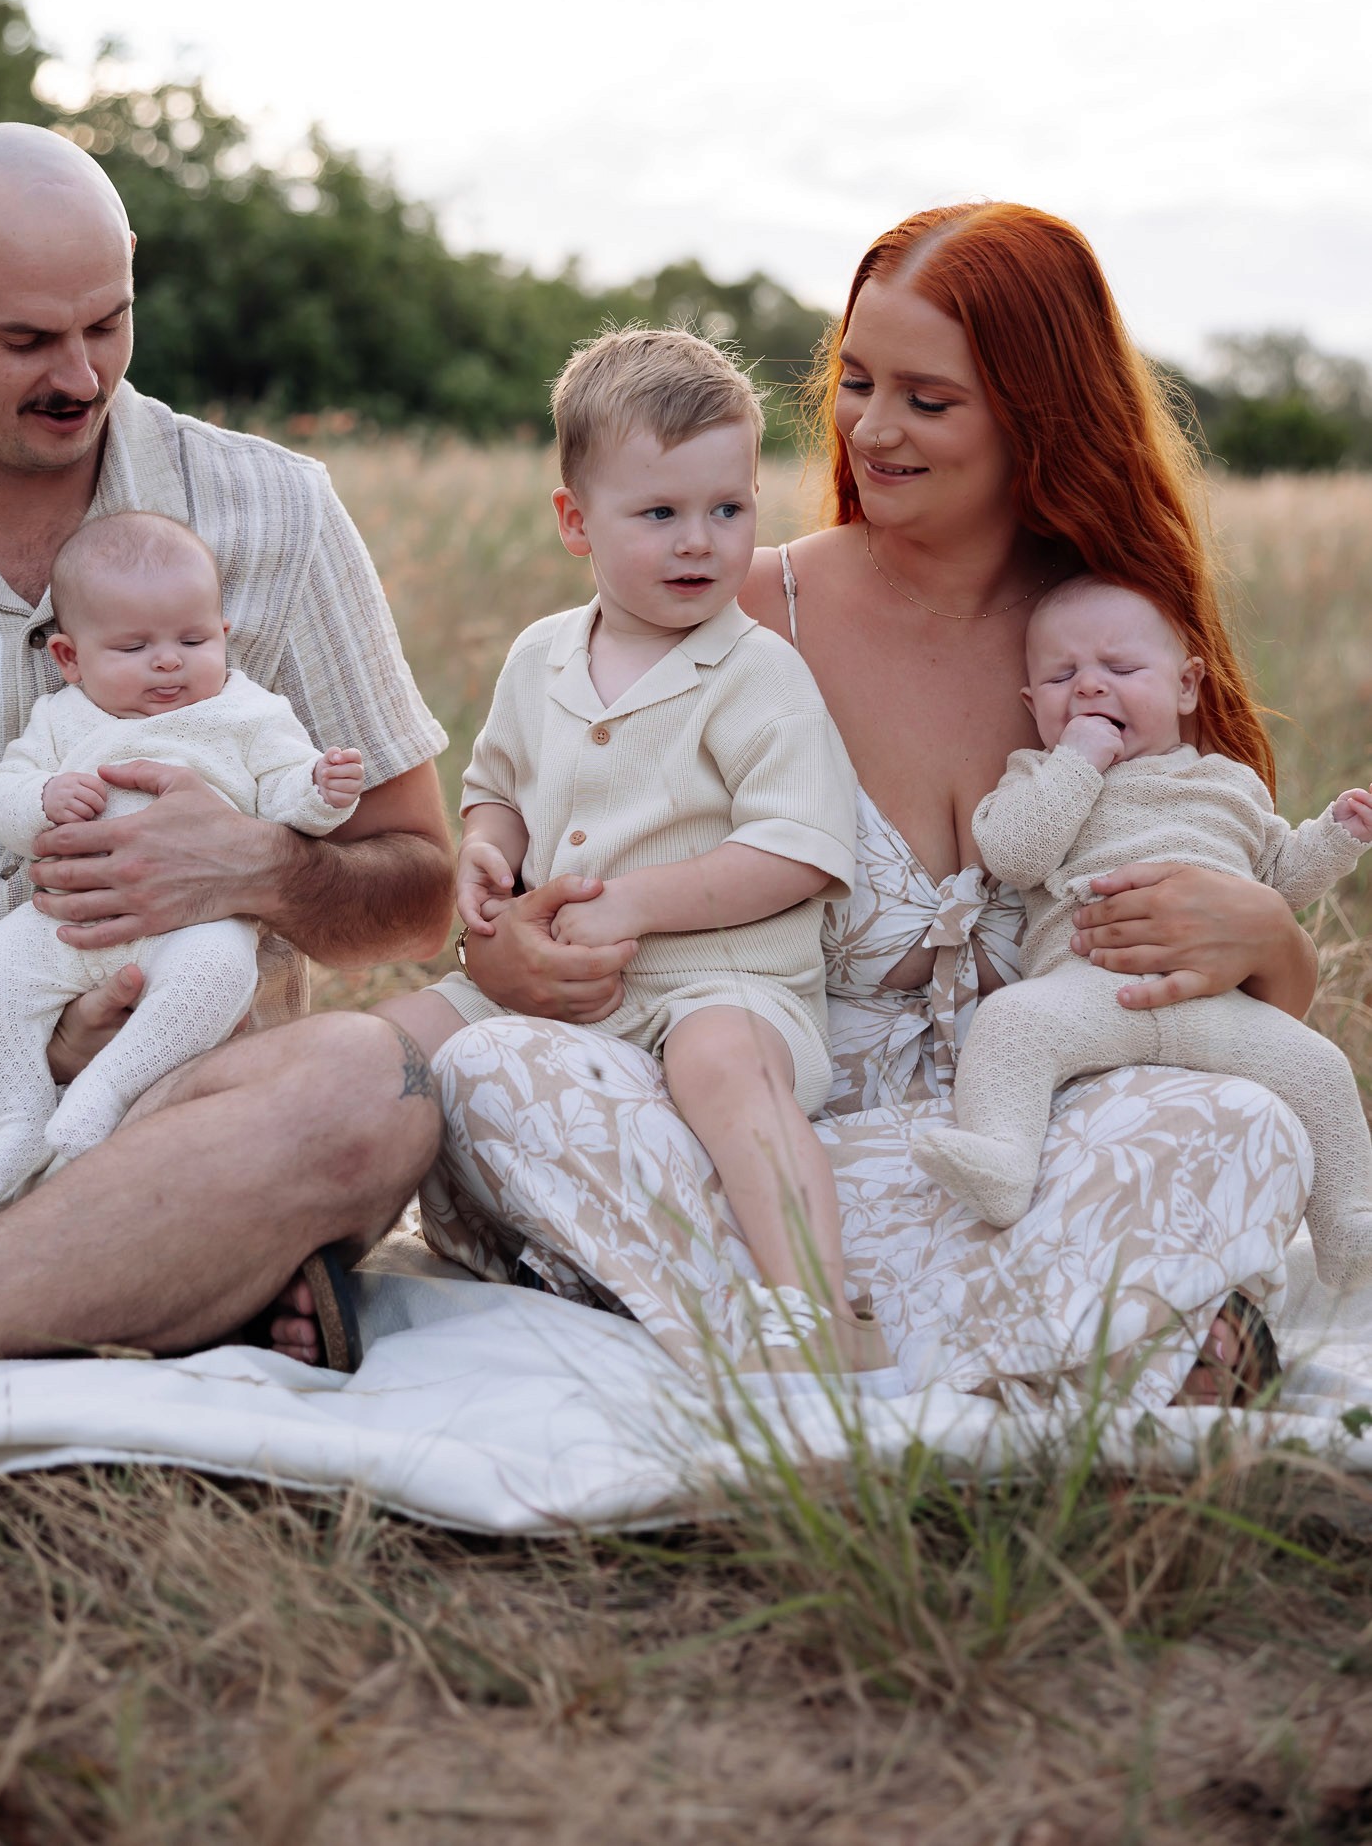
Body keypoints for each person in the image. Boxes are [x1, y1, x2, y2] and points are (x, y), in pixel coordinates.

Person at [404, 204, 1323, 1407]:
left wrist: (1268, 938)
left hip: (1020, 1161)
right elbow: (541, 837)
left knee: (1237, 1125)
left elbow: (1237, 1016)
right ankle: (1056, 1345)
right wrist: (509, 936)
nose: (872, 429)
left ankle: (888, 1341)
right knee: (498, 1083)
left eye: (926, 400)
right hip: (758, 1143)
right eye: (853, 381)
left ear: (1032, 414)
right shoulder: (730, 610)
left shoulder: (1109, 640)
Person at [0, 123, 453, 1397]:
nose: (80, 373)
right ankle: (126, 1304)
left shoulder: (276, 509)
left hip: (173, 1108)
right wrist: (13, 1043)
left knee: (376, 1084)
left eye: (106, 324)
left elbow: (421, 890)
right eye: (27, 341)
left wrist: (266, 869)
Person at [372, 327, 875, 1369]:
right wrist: (484, 851)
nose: (699, 542)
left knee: (722, 1065)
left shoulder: (754, 672)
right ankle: (305, 1255)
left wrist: (640, 904)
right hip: (550, 975)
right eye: (659, 514)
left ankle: (816, 1306)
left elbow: (800, 847)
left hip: (717, 981)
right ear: (575, 521)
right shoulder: (540, 654)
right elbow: (498, 790)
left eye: (726, 509)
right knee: (385, 1051)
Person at [915, 574, 1372, 1277]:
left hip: (1217, 1004)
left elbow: (1278, 879)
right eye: (1062, 676)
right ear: (1031, 705)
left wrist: (1336, 835)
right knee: (1010, 1024)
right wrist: (1076, 763)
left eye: (1120, 669)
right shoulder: (1039, 774)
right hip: (1089, 988)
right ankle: (1002, 1158)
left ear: (1186, 686)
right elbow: (1013, 854)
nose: (1091, 688)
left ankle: (1348, 1231)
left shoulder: (1229, 783)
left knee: (1321, 1069)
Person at [0, 510, 367, 1210]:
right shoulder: (61, 720)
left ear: (224, 638)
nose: (169, 660)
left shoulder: (247, 713)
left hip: (194, 926)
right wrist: (43, 797)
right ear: (69, 658)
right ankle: (17, 1121)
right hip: (64, 925)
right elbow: (3, 792)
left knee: (218, 977)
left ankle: (105, 1092)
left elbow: (286, 790)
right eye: (134, 646)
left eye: (193, 639)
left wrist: (321, 790)